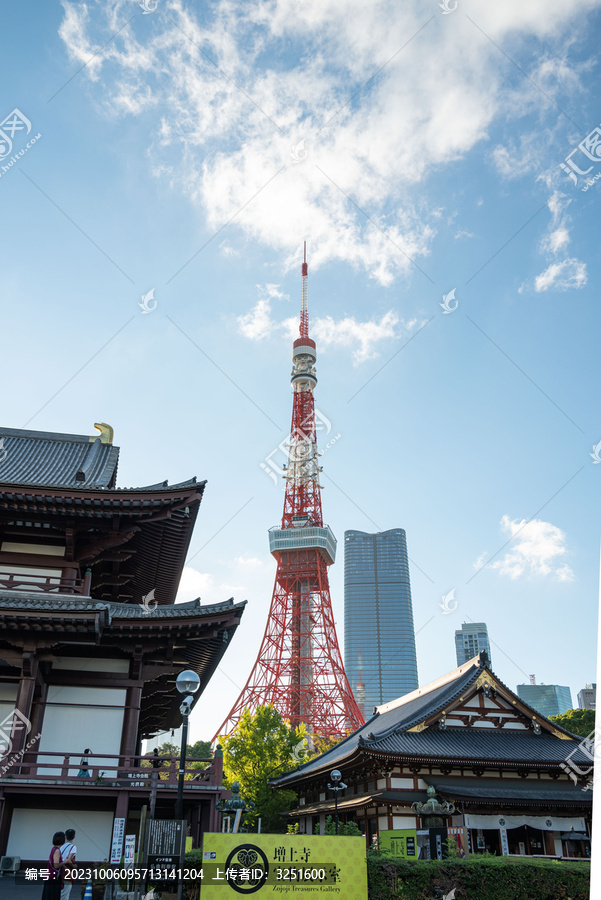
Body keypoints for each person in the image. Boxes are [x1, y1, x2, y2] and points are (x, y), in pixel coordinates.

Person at [41, 832, 73, 900]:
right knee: (53, 896)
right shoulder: (57, 851)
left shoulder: (53, 849)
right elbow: (56, 865)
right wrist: (65, 862)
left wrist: (65, 869)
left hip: (50, 876)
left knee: (48, 896)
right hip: (54, 878)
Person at [59, 829, 77, 900]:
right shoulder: (73, 847)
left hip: (59, 870)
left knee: (60, 892)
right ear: (74, 837)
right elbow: (68, 860)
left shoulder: (61, 847)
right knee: (65, 893)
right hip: (67, 871)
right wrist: (74, 866)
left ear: (65, 837)